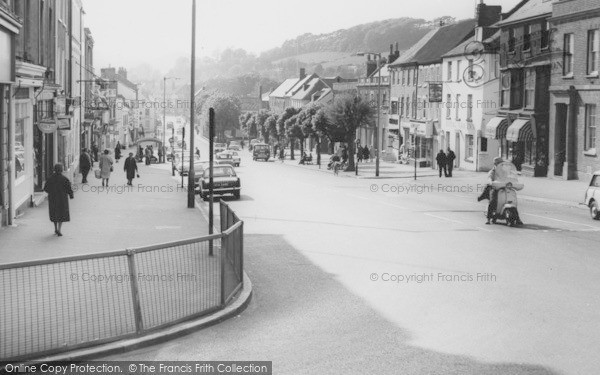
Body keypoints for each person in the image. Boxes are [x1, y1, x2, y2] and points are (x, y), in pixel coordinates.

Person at [43, 163, 73, 236]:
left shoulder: (50, 178)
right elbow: (69, 189)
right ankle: (59, 229)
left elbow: (45, 188)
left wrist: (50, 192)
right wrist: (71, 195)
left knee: (54, 213)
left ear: (54, 170)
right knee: (61, 214)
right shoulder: (65, 179)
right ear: (61, 170)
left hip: (53, 198)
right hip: (62, 199)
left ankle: (55, 228)